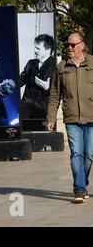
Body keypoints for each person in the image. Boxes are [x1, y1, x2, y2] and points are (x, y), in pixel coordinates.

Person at [47, 32, 93, 204]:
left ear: (82, 46)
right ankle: (79, 189)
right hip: (72, 118)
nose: (69, 48)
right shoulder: (61, 67)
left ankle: (83, 181)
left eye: (73, 45)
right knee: (76, 153)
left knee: (89, 155)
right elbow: (54, 94)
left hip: (91, 117)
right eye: (68, 45)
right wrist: (51, 118)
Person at [20, 34, 56, 119]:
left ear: (48, 50)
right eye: (35, 48)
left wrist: (48, 88)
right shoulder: (31, 63)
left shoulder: (55, 66)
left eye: (38, 48)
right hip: (25, 111)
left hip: (42, 112)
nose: (35, 51)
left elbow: (59, 91)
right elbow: (21, 80)